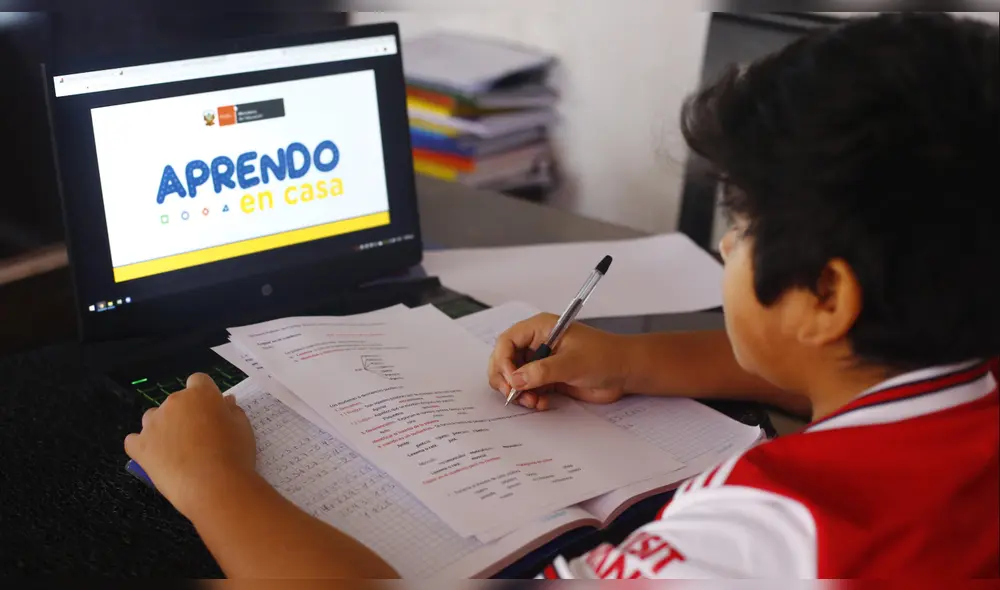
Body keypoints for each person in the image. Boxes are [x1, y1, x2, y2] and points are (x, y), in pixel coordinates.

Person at [124, 12, 999, 579]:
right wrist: (634, 360)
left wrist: (215, 483)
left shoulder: (768, 542)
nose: (726, 245)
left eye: (741, 225)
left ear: (825, 295)